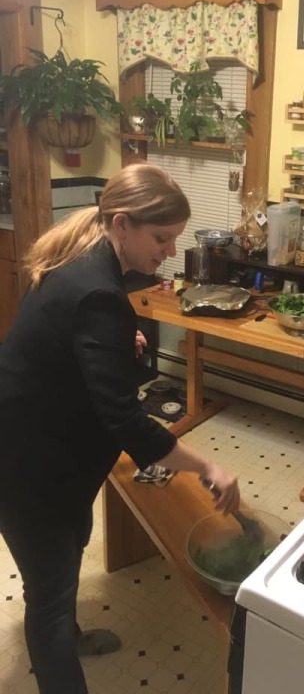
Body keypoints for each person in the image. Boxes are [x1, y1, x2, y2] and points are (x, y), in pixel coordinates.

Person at [0, 162, 240, 694]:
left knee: (71, 545)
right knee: (49, 600)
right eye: (162, 238)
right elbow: (126, 421)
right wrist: (207, 466)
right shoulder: (96, 288)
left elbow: (65, 338)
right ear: (123, 224)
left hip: (43, 444)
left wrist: (115, 344)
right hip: (23, 464)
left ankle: (70, 632)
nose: (170, 251)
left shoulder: (82, 255)